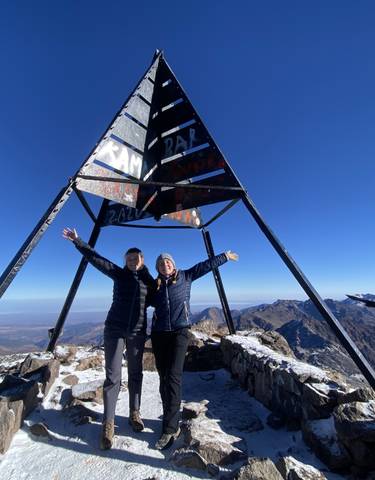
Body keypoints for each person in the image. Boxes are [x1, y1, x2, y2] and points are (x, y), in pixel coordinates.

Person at [62, 228, 155, 450]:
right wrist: (78, 241)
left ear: (142, 260)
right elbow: (97, 259)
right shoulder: (119, 273)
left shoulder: (150, 282)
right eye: (129, 258)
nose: (133, 261)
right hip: (114, 329)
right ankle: (108, 423)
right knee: (113, 377)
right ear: (126, 261)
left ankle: (135, 413)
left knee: (135, 373)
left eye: (136, 258)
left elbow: (162, 298)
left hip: (137, 331)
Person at [151, 250, 239, 449]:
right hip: (158, 335)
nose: (165, 265)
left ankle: (171, 429)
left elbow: (204, 266)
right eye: (161, 263)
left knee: (173, 376)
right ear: (157, 268)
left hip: (180, 332)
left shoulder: (186, 276)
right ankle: (168, 418)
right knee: (164, 378)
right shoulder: (154, 285)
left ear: (173, 264)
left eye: (168, 261)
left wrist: (224, 257)